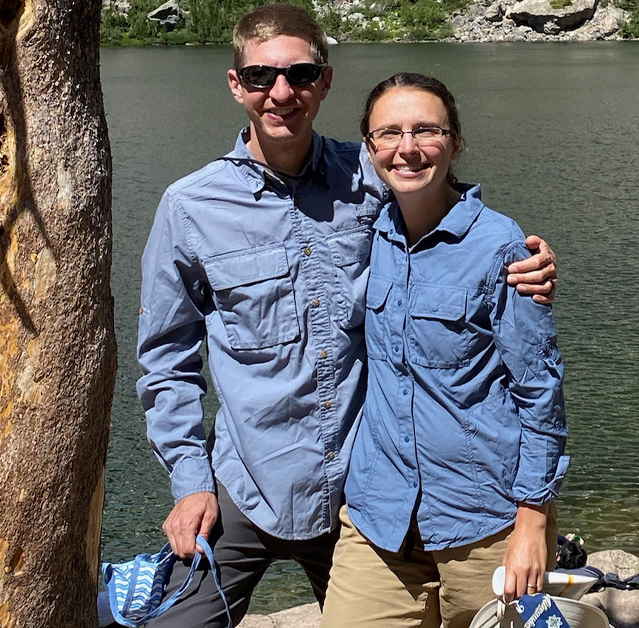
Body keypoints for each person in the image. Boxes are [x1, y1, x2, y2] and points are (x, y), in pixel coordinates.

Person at [125, 5, 558, 627]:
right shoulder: (190, 206)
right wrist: (191, 479)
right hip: (247, 482)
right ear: (235, 83)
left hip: (361, 489)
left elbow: (446, 213)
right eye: (260, 77)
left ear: (325, 81)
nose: (281, 93)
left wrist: (529, 257)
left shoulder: (371, 173)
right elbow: (166, 360)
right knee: (179, 623)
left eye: (301, 74)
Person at [320, 73, 567, 628]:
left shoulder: (503, 247)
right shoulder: (368, 230)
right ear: (370, 148)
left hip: (486, 521)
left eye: (426, 131)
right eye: (389, 133)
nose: (407, 148)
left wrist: (533, 519)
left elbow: (540, 389)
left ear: (455, 144)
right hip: (379, 519)